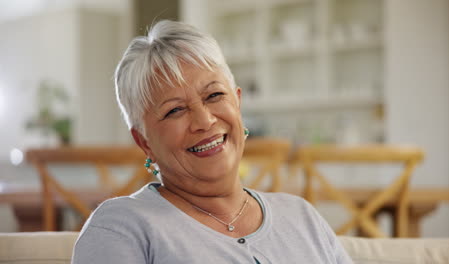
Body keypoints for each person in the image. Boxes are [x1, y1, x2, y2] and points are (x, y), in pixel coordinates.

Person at [72, 20, 353, 264]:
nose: (205, 121)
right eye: (175, 110)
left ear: (238, 104)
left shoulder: (302, 216)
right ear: (144, 142)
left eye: (214, 96)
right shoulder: (121, 227)